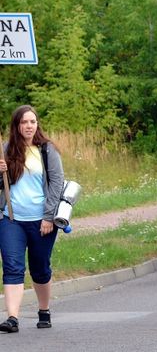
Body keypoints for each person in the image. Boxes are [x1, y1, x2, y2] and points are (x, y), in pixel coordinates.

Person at [0, 105, 64, 333]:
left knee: (40, 268)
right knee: (12, 267)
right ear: (16, 126)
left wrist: (48, 217)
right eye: (24, 122)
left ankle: (44, 310)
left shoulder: (47, 150)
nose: (29, 126)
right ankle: (13, 318)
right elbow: (2, 187)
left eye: (33, 122)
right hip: (11, 220)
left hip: (41, 221)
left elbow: (56, 184)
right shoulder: (6, 150)